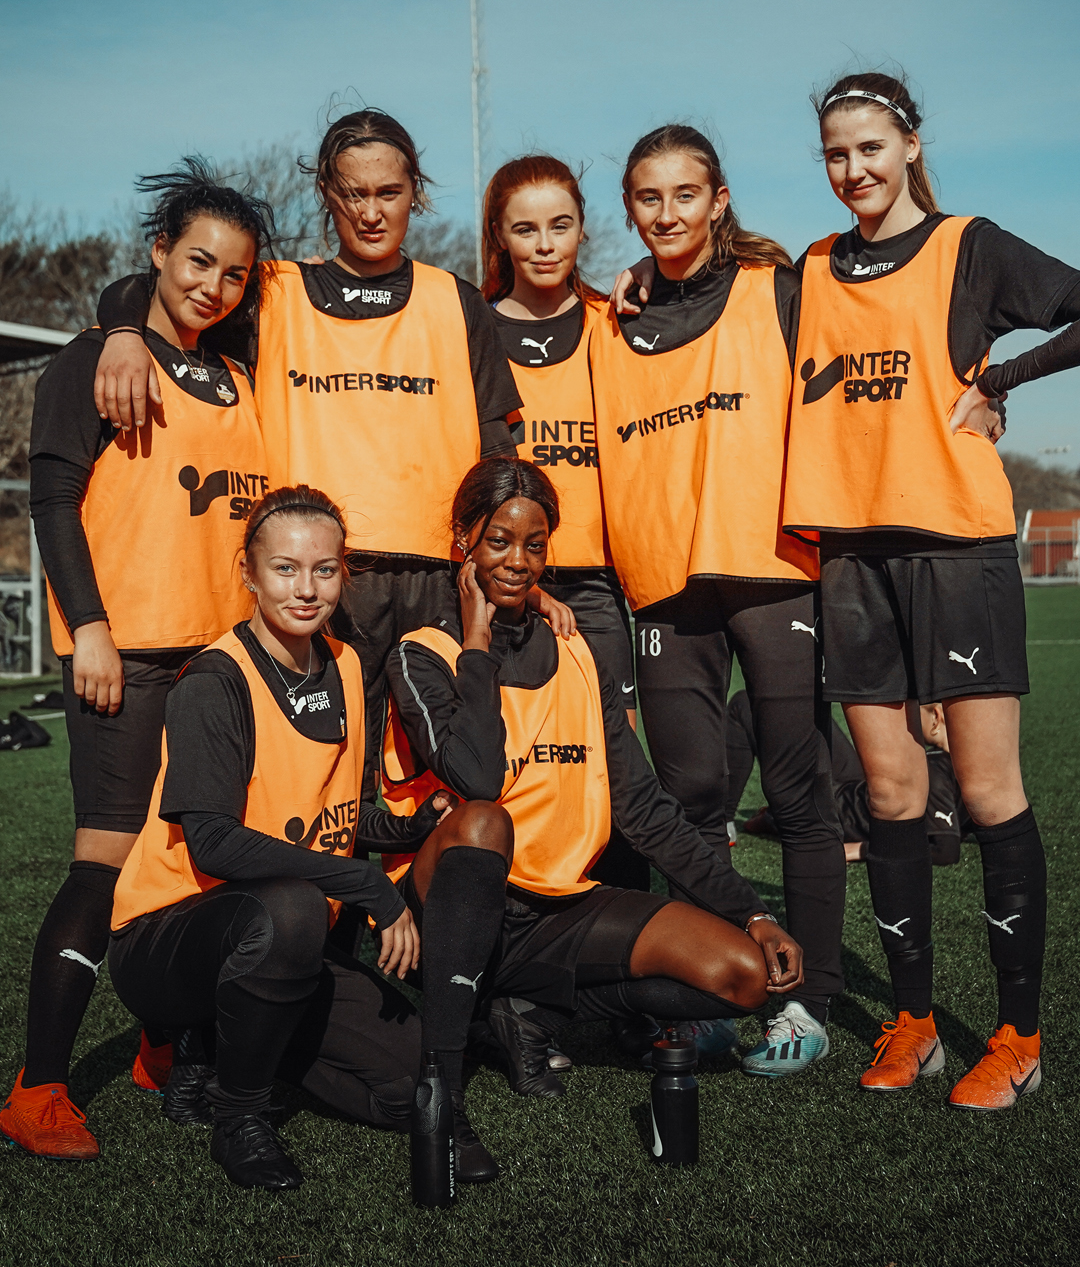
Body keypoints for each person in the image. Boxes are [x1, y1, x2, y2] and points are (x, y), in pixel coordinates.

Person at [90, 109, 544, 805]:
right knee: (326, 780)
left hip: (435, 580)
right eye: (353, 194)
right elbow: (150, 289)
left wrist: (515, 567)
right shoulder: (273, 293)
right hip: (321, 582)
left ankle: (429, 881)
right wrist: (123, 333)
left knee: (446, 779)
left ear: (415, 193)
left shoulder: (455, 302)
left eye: (388, 192)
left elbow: (498, 457)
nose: (371, 212)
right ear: (327, 194)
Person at [782, 68, 1080, 1109]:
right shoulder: (812, 269)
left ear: (910, 145)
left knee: (989, 794)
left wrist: (998, 381)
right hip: (852, 558)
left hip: (958, 550)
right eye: (835, 154)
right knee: (895, 798)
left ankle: (1018, 1037)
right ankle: (913, 1025)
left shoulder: (970, 247)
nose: (853, 169)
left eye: (870, 147)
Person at [380, 457, 804, 1179]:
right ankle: (440, 1092)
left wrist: (752, 912)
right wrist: (478, 645)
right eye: (498, 541)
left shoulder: (577, 653)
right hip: (446, 910)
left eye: (534, 544)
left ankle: (524, 1010)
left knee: (743, 976)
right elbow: (477, 778)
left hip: (555, 910)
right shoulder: (424, 653)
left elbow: (645, 809)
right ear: (462, 542)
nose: (518, 561)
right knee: (483, 821)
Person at [0, 162, 274, 1161]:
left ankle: (164, 1047)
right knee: (104, 863)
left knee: (195, 863)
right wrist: (89, 628)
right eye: (196, 261)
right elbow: (52, 500)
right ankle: (37, 1088)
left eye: (233, 273)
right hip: (128, 658)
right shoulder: (98, 358)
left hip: (218, 667)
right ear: (158, 252)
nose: (212, 285)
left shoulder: (238, 374)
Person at [591, 125, 844, 1079]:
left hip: (776, 570)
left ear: (719, 199)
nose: (667, 214)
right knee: (691, 796)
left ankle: (809, 1003)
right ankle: (711, 996)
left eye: (685, 195)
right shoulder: (615, 318)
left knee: (798, 793)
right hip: (666, 585)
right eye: (649, 198)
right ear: (630, 210)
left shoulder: (777, 289)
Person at [108, 486, 443, 1191]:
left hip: (282, 938)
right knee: (289, 906)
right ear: (249, 573)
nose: (306, 588)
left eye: (324, 569)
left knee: (409, 1082)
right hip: (167, 938)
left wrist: (411, 826)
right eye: (285, 569)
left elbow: (335, 815)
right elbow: (213, 843)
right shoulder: (214, 680)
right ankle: (239, 1114)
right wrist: (365, 884)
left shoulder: (346, 665)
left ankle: (228, 1041)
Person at [481, 154, 647, 891]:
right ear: (500, 235)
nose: (545, 244)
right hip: (505, 584)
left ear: (583, 228)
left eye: (561, 225)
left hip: (599, 589)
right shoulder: (472, 329)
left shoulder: (620, 322)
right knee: (511, 762)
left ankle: (628, 938)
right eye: (526, 229)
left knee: (617, 766)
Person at [726, 691, 969, 864]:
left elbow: (945, 851)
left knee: (744, 703)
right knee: (807, 708)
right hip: (858, 789)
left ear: (936, 717)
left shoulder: (934, 771)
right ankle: (772, 815)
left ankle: (726, 820)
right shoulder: (972, 774)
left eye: (911, 710)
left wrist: (860, 850)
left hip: (829, 809)